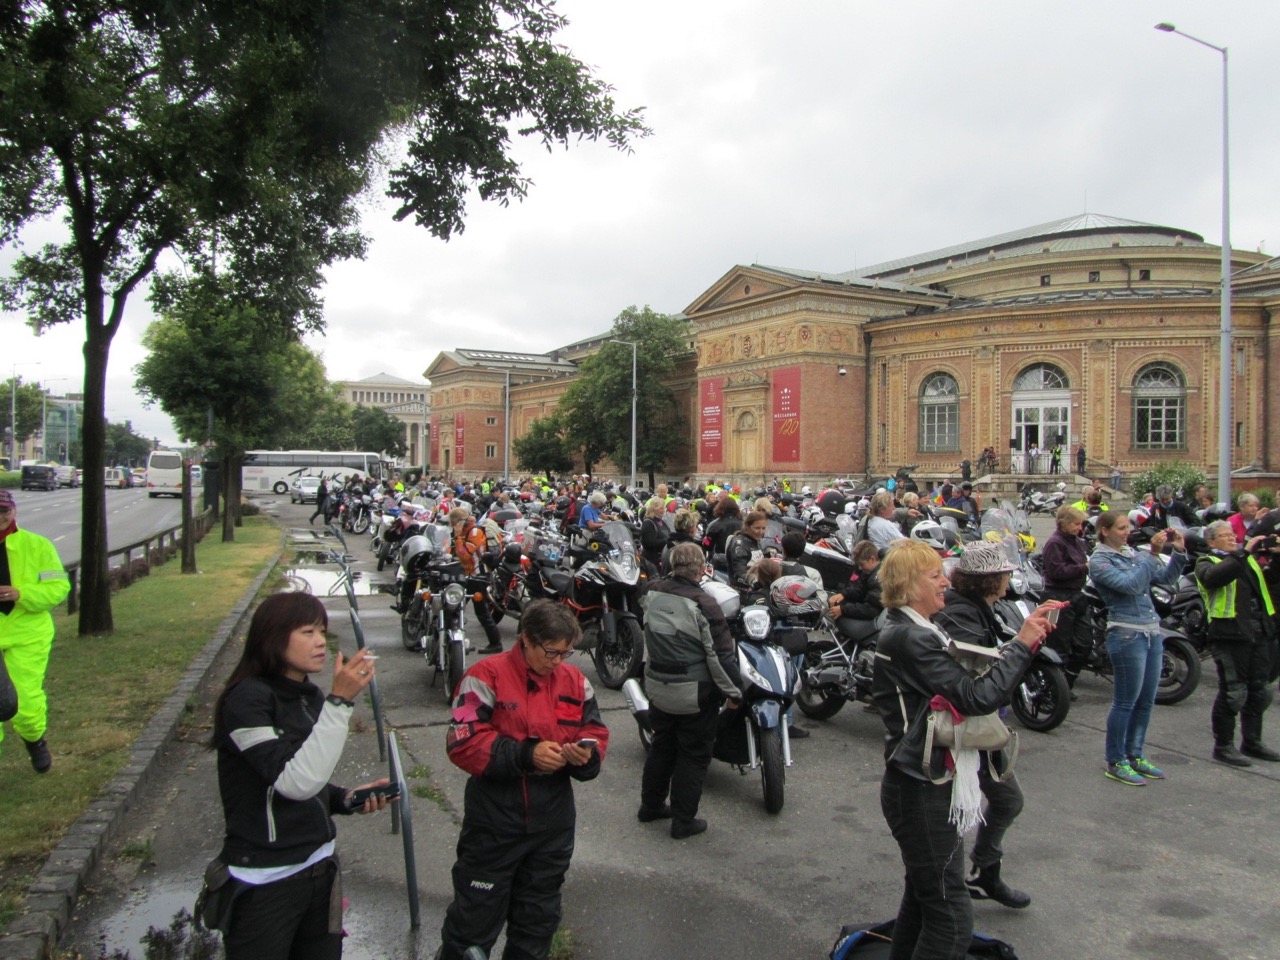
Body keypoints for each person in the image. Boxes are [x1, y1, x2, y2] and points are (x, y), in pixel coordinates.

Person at [871, 540, 1050, 959]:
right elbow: (975, 696)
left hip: (923, 779)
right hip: (919, 786)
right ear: (909, 584)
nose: (945, 583)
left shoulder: (917, 629)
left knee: (923, 897)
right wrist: (1021, 646)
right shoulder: (911, 636)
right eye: (934, 576)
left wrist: (1012, 648)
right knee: (952, 919)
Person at [212, 592, 389, 959]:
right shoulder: (247, 701)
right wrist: (339, 703)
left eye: (322, 631)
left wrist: (343, 798)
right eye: (307, 631)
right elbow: (293, 781)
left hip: (319, 870)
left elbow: (307, 772)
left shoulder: (307, 695)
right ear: (273, 637)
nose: (321, 641)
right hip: (265, 882)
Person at [437, 601, 607, 960]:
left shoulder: (576, 681)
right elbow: (462, 742)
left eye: (566, 653)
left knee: (537, 924)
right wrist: (525, 755)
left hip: (552, 825)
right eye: (551, 652)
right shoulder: (484, 676)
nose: (558, 661)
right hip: (494, 824)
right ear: (525, 640)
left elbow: (594, 731)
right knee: (472, 925)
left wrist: (586, 757)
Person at [932, 542, 1035, 909]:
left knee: (1006, 800)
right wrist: (1020, 647)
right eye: (1005, 572)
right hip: (967, 727)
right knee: (970, 807)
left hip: (982, 724)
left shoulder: (980, 610)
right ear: (991, 580)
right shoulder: (963, 615)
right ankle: (958, 887)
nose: (1010, 577)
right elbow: (975, 681)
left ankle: (983, 871)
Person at [638, 542, 742, 838]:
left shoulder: (651, 592)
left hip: (658, 686)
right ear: (700, 568)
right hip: (694, 694)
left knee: (662, 747)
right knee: (693, 755)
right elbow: (721, 656)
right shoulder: (705, 603)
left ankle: (651, 806)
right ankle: (683, 821)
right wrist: (735, 693)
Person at [1089, 511, 1190, 785]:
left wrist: (1178, 552)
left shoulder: (1132, 554)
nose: (1127, 531)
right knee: (1125, 702)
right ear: (1104, 530)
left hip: (1151, 631)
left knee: (1146, 700)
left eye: (1128, 527)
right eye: (1121, 527)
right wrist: (1151, 553)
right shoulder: (1099, 561)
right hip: (1126, 634)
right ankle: (1116, 760)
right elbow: (1131, 586)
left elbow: (1165, 580)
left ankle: (1136, 754)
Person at [1195, 521, 1280, 766]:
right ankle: (1223, 746)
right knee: (1233, 692)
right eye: (1224, 536)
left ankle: (1252, 742)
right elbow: (1213, 580)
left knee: (1260, 690)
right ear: (1212, 542)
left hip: (1257, 631)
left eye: (1233, 535)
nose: (1232, 539)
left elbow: (1269, 582)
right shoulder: (1207, 562)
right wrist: (1244, 553)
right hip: (1228, 634)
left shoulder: (1246, 560)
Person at [0, 489, 70, 772]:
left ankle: (35, 741)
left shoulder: (38, 546)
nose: (1, 516)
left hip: (27, 634)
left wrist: (21, 593)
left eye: (5, 510)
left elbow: (58, 588)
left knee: (25, 702)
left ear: (14, 511)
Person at [1040, 505, 1094, 688]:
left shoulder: (1077, 541)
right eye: (1076, 524)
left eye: (1081, 524)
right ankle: (1056, 687)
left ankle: (1068, 680)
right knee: (1057, 644)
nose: (1080, 528)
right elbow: (1056, 571)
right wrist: (1083, 568)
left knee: (1085, 642)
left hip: (1076, 596)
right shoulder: (1054, 543)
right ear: (1063, 524)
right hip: (1056, 597)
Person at [449, 506, 504, 655]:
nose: (452, 526)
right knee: (455, 607)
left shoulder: (474, 532)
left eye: (453, 523)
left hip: (477, 576)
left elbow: (464, 555)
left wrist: (458, 536)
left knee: (480, 612)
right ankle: (454, 641)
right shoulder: (468, 531)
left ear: (458, 522)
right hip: (470, 575)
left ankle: (495, 643)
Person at [726, 509, 768, 594]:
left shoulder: (755, 540)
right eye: (757, 528)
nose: (761, 532)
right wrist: (755, 582)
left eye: (763, 528)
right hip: (742, 591)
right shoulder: (740, 545)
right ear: (747, 526)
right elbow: (739, 574)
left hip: (758, 587)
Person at [639, 496, 671, 575]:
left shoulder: (662, 521)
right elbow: (649, 543)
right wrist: (666, 540)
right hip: (652, 562)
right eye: (661, 508)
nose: (663, 510)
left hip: (662, 558)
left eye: (664, 508)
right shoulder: (648, 523)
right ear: (654, 509)